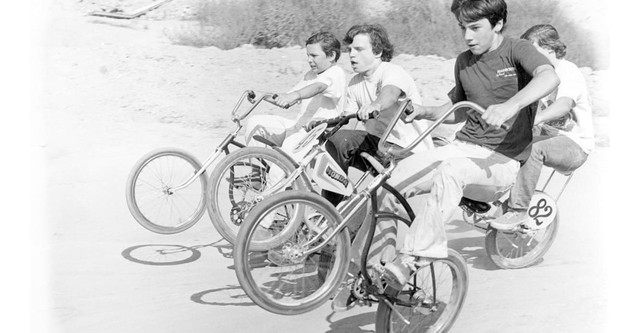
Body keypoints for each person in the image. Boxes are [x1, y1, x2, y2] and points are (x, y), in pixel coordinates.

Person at [372, 0, 560, 290]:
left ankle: (413, 258)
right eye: (463, 28)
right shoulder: (464, 61)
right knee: (387, 183)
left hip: (501, 161)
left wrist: (511, 105)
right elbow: (457, 108)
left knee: (452, 171)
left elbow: (549, 76)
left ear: (497, 24)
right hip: (462, 147)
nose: (468, 37)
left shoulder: (517, 50)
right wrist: (425, 110)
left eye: (475, 28)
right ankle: (379, 265)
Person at [490, 24, 595, 230]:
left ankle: (518, 210)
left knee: (533, 149)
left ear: (549, 48)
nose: (528, 58)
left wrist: (535, 119)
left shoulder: (568, 71)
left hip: (575, 145)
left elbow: (563, 106)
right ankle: (489, 195)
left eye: (532, 51)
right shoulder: (538, 74)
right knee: (504, 138)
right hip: (548, 135)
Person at [322, 23, 435, 205]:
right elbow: (347, 125)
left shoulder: (392, 72)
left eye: (359, 49)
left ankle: (332, 209)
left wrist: (375, 105)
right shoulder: (354, 84)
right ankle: (329, 209)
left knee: (341, 141)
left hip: (408, 153)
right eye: (350, 49)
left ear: (378, 52)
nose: (351, 55)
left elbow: (389, 94)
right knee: (335, 143)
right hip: (379, 149)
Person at [243, 31, 346, 150]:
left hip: (316, 133)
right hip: (297, 126)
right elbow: (287, 99)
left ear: (331, 55)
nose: (309, 60)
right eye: (308, 55)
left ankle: (279, 166)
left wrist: (295, 95)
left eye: (314, 55)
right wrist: (262, 96)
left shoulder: (335, 72)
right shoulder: (310, 75)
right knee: (256, 123)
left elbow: (318, 87)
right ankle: (261, 164)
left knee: (285, 157)